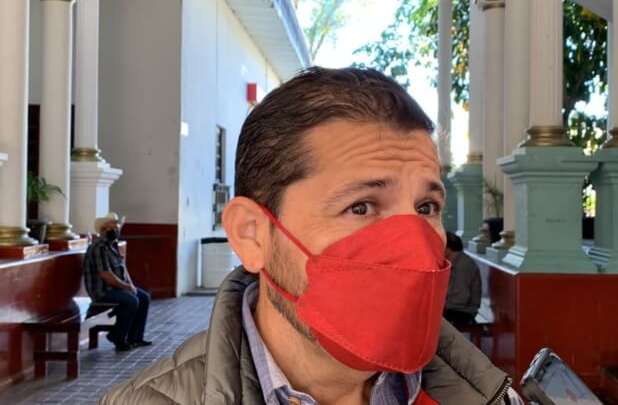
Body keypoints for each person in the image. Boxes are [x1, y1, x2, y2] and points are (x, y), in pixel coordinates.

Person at [100, 67, 523, 404]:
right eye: (361, 207)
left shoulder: (486, 392)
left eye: (425, 208)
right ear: (252, 236)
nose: (413, 249)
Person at [84, 212, 152, 352]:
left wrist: (131, 285)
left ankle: (135, 338)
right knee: (131, 301)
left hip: (117, 288)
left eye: (116, 228)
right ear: (102, 230)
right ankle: (117, 337)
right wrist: (126, 287)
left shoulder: (113, 246)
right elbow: (105, 275)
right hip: (102, 291)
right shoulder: (98, 248)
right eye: (110, 228)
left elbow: (123, 269)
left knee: (144, 297)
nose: (114, 231)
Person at [442, 232, 482, 326]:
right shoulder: (454, 261)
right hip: (454, 309)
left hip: (462, 312)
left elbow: (461, 298)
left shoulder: (463, 265)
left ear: (448, 248)